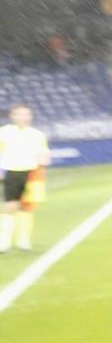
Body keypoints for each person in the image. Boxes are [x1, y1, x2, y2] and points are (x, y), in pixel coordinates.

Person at [0, 104, 51, 253]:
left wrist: (44, 161)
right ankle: (4, 242)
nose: (23, 117)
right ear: (13, 116)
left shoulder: (37, 134)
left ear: (30, 116)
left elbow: (44, 154)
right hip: (12, 172)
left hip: (32, 173)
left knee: (27, 207)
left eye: (26, 114)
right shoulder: (4, 132)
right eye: (19, 114)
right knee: (10, 206)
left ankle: (23, 241)